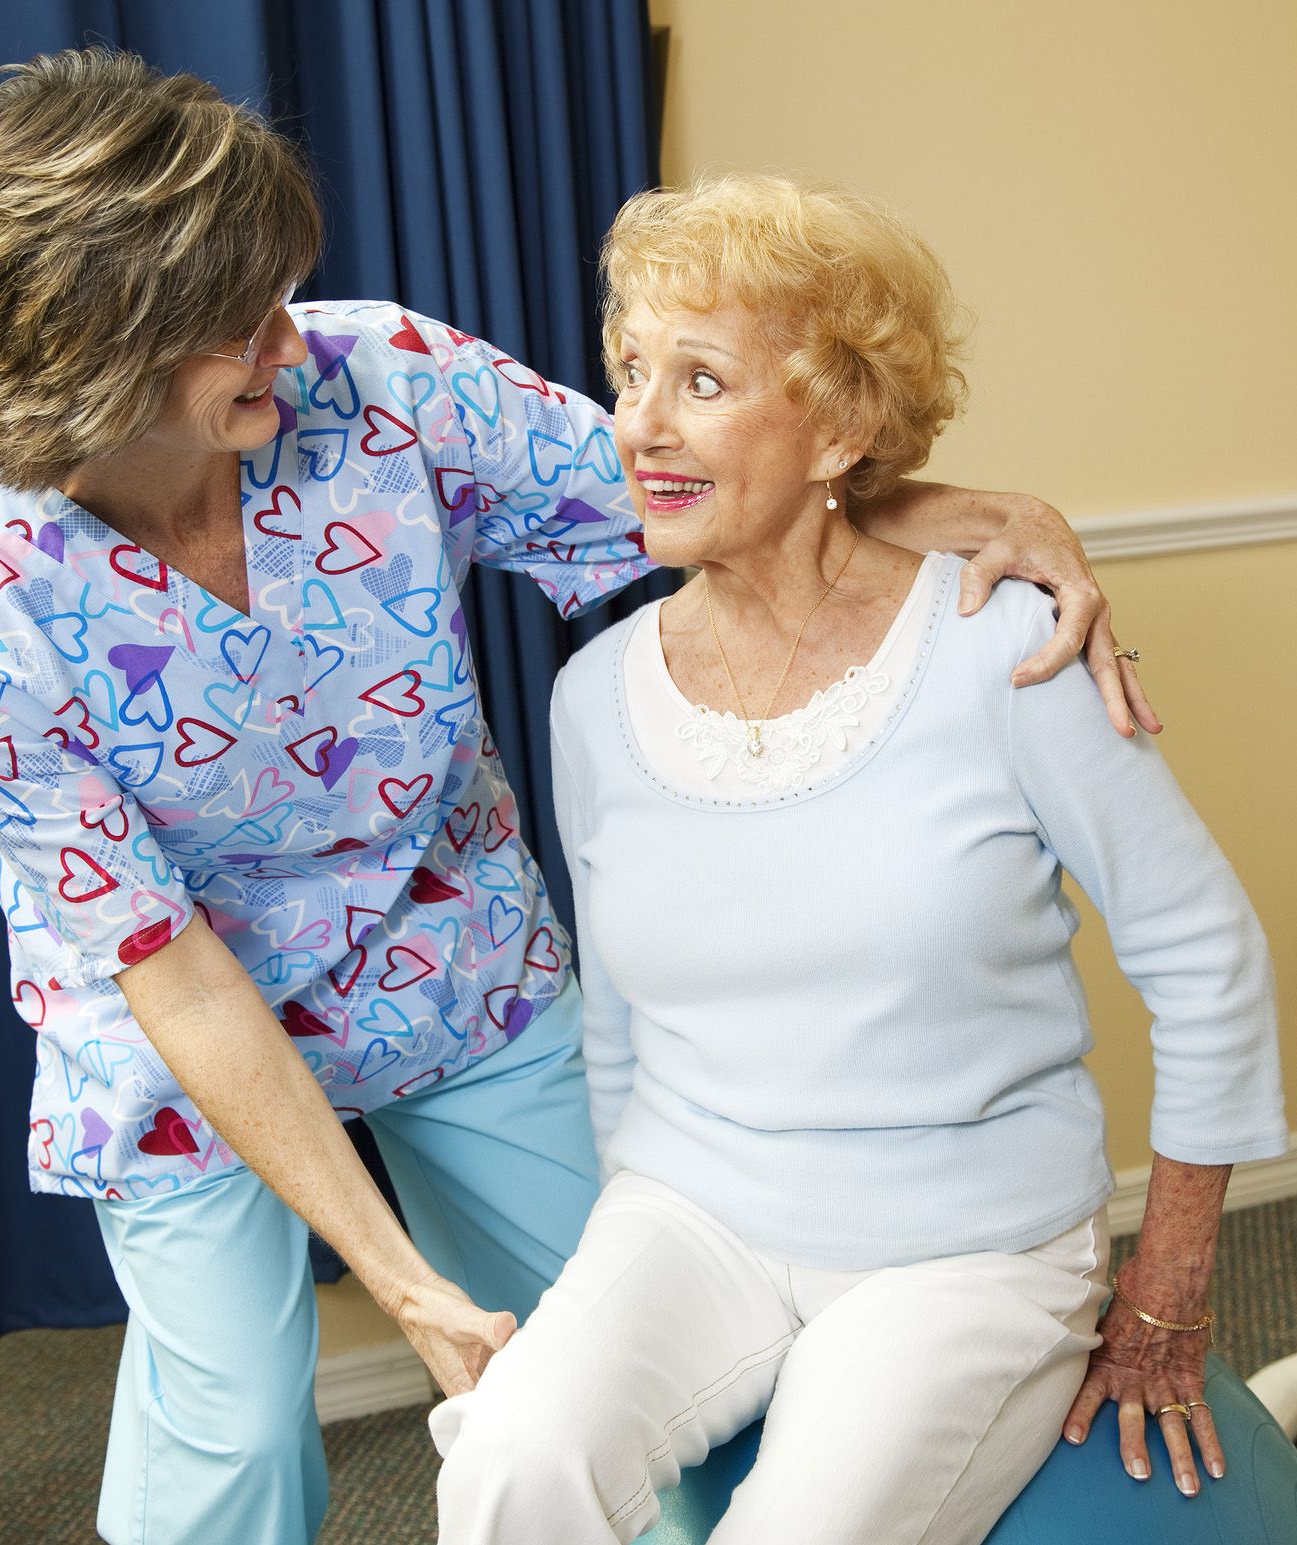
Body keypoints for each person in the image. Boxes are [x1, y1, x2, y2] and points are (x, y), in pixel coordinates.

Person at [0, 51, 1154, 1545]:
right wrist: (400, 1278)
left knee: (651, 1357)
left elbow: (673, 494)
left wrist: (973, 512)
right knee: (227, 1428)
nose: (289, 342)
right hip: (185, 1022)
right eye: (240, 322)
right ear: (101, 352)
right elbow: (170, 966)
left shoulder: (382, 382)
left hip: (448, 950)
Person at [431, 174, 1286, 1545]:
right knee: (509, 1462)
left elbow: (1207, 956)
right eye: (630, 370)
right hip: (691, 1210)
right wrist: (625, 1249)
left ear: (837, 428)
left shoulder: (1005, 648)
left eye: (698, 379)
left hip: (964, 1250)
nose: (639, 420)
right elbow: (620, 1020)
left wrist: (1172, 1289)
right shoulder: (594, 692)